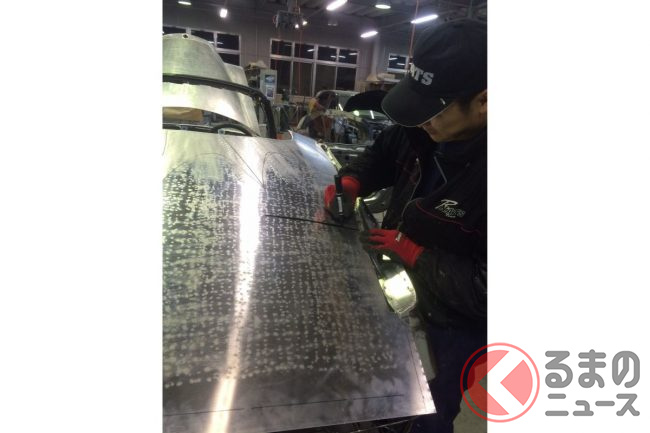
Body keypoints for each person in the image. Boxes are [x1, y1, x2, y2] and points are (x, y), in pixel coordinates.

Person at [323, 19, 487, 432]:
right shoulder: (424, 129)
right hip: (401, 288)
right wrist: (353, 180)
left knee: (425, 410)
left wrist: (416, 253)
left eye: (435, 110)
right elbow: (382, 154)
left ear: (484, 101)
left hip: (454, 326)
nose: (422, 121)